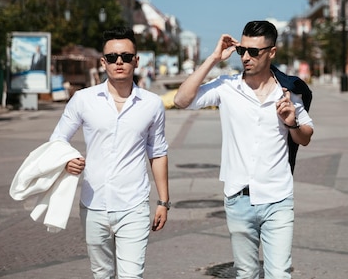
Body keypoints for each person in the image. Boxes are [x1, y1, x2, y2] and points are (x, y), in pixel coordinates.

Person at [174, 20, 314, 279]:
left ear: (271, 52)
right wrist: (214, 58)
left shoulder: (288, 91)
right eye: (242, 51)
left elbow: (305, 137)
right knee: (246, 273)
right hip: (238, 198)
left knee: (279, 274)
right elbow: (181, 100)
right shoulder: (226, 87)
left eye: (254, 52)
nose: (246, 57)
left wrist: (292, 123)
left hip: (278, 198)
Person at [49, 27, 170, 279]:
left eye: (126, 57)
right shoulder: (83, 99)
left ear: (136, 61)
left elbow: (157, 152)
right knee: (102, 274)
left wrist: (163, 201)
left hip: (134, 204)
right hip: (93, 204)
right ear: (103, 62)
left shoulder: (152, 104)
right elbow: (58, 138)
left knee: (131, 276)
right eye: (113, 57)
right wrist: (67, 159)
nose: (119, 62)